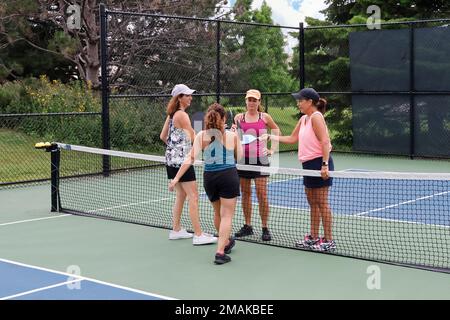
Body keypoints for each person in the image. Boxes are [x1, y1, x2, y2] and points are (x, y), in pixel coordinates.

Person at [261, 88, 336, 252]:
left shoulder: (316, 117)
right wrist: (270, 136)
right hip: (307, 165)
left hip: (319, 163)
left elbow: (325, 141)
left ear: (310, 102)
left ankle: (329, 240)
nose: (298, 103)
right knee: (313, 203)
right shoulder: (304, 119)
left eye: (301, 100)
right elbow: (292, 138)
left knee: (322, 203)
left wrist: (324, 165)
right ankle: (314, 236)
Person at [169, 103, 242, 265]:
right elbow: (240, 157)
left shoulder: (201, 135)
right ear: (223, 118)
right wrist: (236, 136)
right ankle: (220, 251)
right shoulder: (231, 136)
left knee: (218, 214)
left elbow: (190, 158)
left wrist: (176, 178)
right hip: (228, 176)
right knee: (227, 216)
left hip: (210, 178)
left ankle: (225, 242)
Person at [160, 84, 217, 246]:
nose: (190, 97)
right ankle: (198, 235)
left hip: (170, 160)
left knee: (181, 195)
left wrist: (175, 148)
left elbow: (163, 136)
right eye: (187, 95)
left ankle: (176, 229)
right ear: (179, 98)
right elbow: (194, 136)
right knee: (194, 196)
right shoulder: (182, 116)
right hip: (181, 162)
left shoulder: (171, 115)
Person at [231, 89, 280, 241]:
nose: (251, 102)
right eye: (249, 100)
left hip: (261, 160)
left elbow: (276, 129)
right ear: (245, 101)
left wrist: (272, 149)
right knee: (245, 194)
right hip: (242, 160)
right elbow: (236, 137)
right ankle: (248, 226)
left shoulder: (264, 117)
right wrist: (233, 131)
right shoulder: (239, 118)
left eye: (254, 100)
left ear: (259, 102)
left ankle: (265, 227)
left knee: (262, 194)